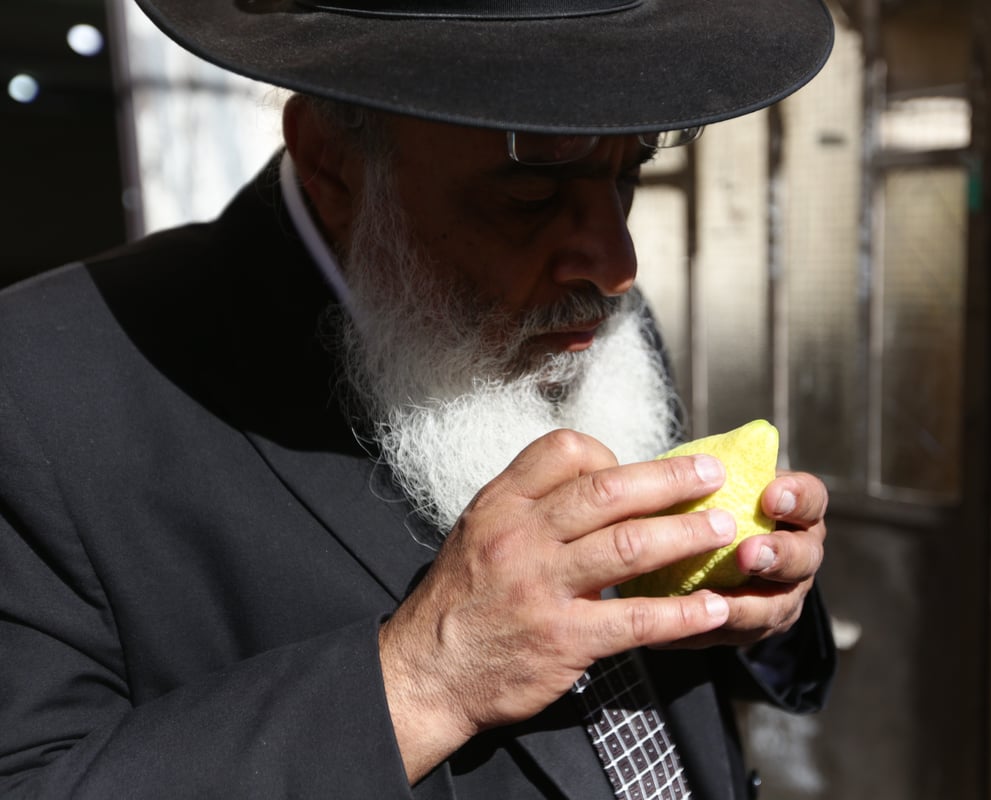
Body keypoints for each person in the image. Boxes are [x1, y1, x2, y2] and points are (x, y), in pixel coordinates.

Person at [0, 0, 837, 797]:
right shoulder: (38, 391)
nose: (618, 267)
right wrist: (426, 676)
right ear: (332, 162)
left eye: (629, 174)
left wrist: (743, 605)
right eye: (531, 192)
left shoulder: (579, 302)